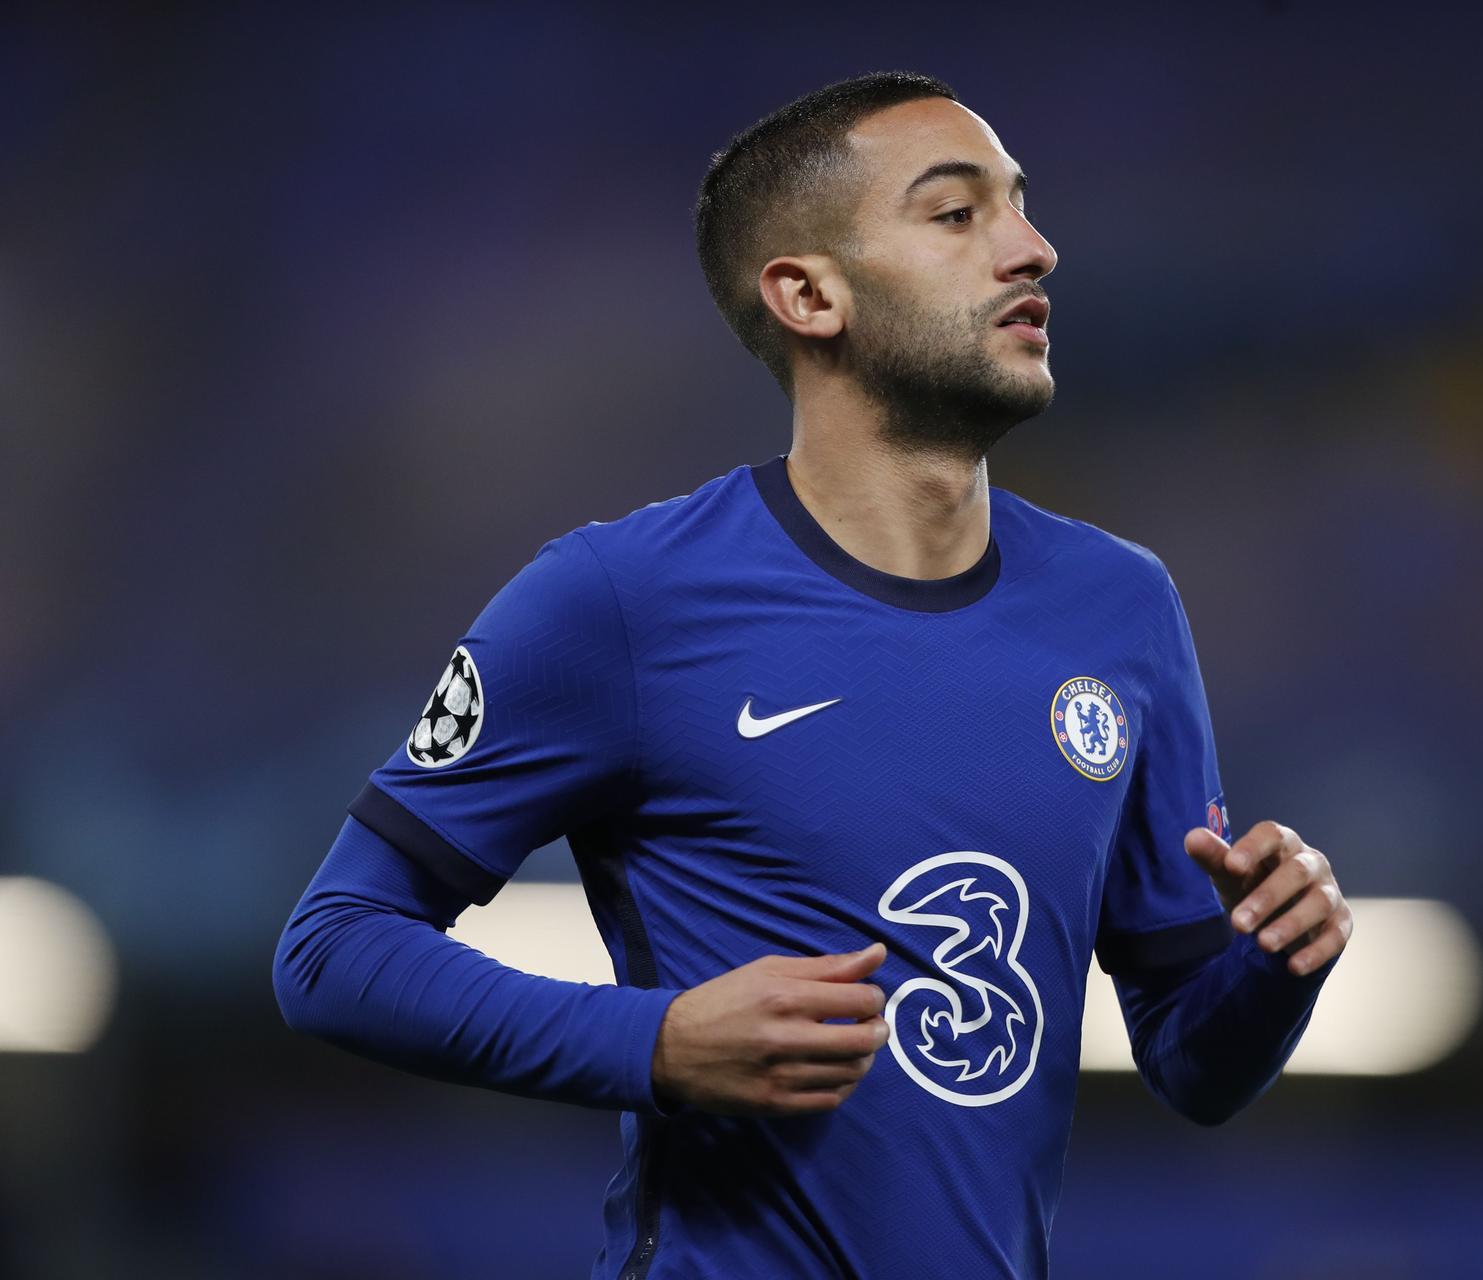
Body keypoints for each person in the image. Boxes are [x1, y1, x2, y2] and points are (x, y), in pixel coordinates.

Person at [273, 70, 1352, 1280]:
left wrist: (1273, 961)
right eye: (958, 215)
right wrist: (659, 1038)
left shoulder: (1123, 607)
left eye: (1022, 207)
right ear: (807, 293)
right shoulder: (618, 601)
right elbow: (332, 948)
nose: (1034, 249)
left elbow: (1195, 1065)